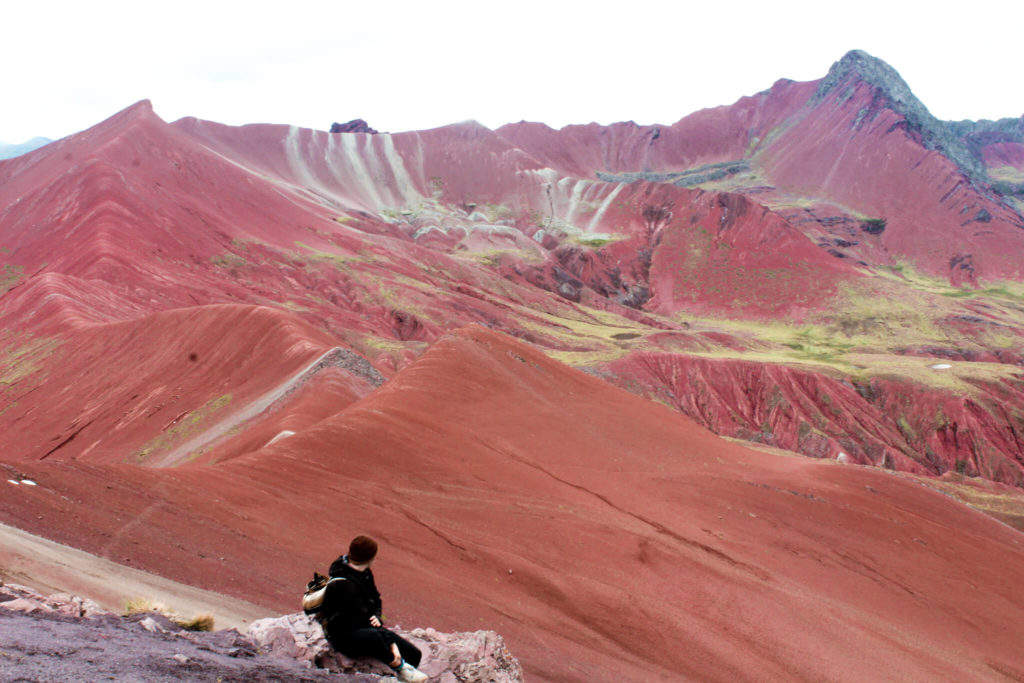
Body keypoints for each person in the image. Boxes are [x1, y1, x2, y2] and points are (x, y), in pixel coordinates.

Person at [320, 535, 428, 683]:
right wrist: (390, 644)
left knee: (414, 654)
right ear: (371, 557)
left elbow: (376, 599)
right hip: (343, 636)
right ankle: (400, 668)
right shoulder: (342, 584)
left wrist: (377, 616)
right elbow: (351, 620)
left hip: (367, 627)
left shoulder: (365, 573)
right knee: (375, 638)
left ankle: (403, 675)